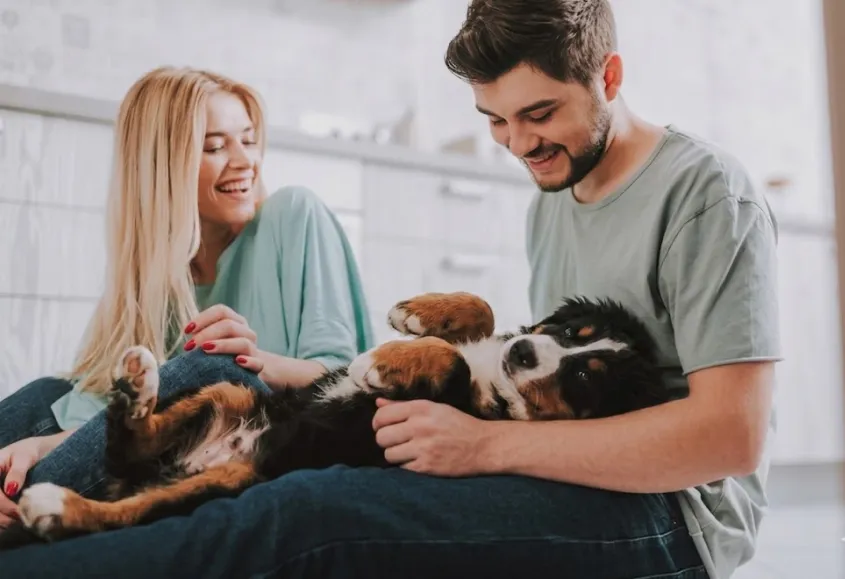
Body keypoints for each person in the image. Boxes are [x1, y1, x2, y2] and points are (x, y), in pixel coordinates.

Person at [0, 1, 778, 578]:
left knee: (306, 514)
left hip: (672, 517)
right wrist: (288, 370)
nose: (516, 144)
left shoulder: (704, 192)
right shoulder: (555, 194)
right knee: (275, 476)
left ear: (607, 75)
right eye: (495, 120)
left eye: (538, 114)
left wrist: (482, 445)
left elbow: (728, 438)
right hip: (559, 466)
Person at [0, 66, 374, 527]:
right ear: (164, 166)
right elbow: (119, 419)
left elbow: (344, 375)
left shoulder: (293, 214)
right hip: (173, 443)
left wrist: (257, 361)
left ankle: (31, 504)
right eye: (215, 147)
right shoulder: (157, 273)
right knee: (53, 393)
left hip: (266, 434)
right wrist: (38, 445)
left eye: (249, 140)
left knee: (214, 369)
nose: (244, 161)